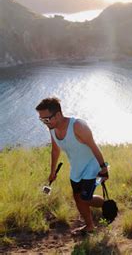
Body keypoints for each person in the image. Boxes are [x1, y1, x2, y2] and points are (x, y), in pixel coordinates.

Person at [36, 97, 109, 235]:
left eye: (46, 119)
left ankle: (90, 225)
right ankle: (100, 212)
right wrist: (53, 172)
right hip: (76, 169)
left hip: (91, 167)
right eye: (41, 120)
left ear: (57, 114)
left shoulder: (78, 126)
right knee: (78, 198)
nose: (44, 123)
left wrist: (103, 169)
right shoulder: (52, 128)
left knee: (83, 198)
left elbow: (94, 147)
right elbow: (55, 150)